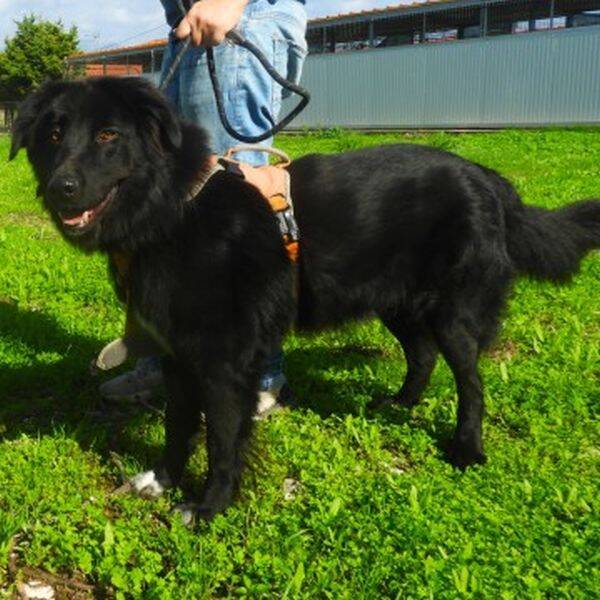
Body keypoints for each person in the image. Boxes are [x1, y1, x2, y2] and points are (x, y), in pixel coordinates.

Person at [99, 0, 307, 414]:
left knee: (228, 214)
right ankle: (166, 362)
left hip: (232, 18)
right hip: (187, 26)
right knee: (169, 209)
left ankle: (257, 378)